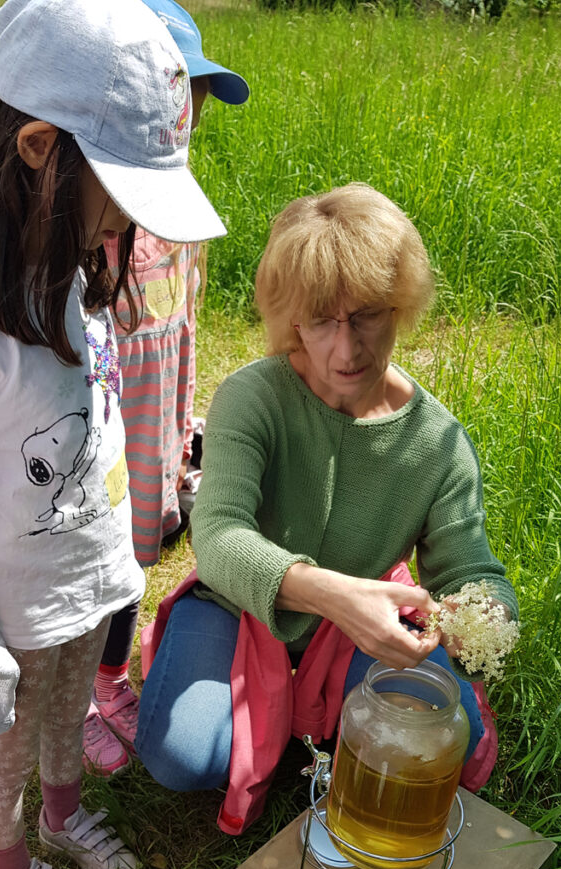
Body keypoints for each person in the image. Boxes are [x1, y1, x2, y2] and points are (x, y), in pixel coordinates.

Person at [0, 0, 225, 869]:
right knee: (5, 745)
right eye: (119, 186)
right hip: (8, 616)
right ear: (39, 150)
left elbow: (103, 418)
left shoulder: (76, 272)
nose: (127, 218)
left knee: (69, 710)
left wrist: (119, 562)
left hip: (88, 584)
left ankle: (63, 811)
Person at [136, 183, 518, 834]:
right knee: (183, 754)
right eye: (321, 320)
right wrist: (332, 594)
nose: (347, 350)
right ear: (290, 319)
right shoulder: (251, 398)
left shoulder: (438, 444)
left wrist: (481, 615)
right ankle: (277, 714)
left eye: (366, 314)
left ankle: (294, 714)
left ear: (399, 306)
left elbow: (468, 568)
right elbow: (219, 535)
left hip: (363, 623)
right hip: (241, 602)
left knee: (443, 738)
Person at [83, 0, 249, 776]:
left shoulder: (179, 213)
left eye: (197, 105)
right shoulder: (89, 224)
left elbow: (183, 329)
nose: (190, 120)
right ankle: (73, 693)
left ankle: (111, 677)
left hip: (157, 432)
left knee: (133, 565)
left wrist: (184, 428)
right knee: (89, 567)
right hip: (94, 444)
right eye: (183, 97)